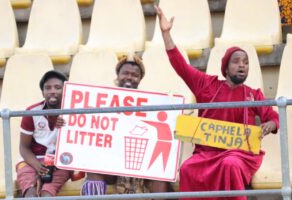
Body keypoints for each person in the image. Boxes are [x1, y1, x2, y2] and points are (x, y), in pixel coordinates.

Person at [154, 5, 279, 200]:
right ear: (226, 68)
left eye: (245, 63)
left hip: (239, 154)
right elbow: (180, 65)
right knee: (187, 168)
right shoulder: (206, 84)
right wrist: (166, 34)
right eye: (237, 61)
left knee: (230, 164)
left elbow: (272, 116)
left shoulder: (253, 94)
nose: (242, 66)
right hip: (206, 153)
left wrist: (270, 124)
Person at [82, 54, 172, 199]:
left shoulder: (150, 104)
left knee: (161, 171)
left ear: (140, 79)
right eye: (125, 73)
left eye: (135, 75)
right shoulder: (102, 101)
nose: (129, 77)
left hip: (140, 160)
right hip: (111, 162)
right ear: (118, 75)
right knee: (93, 168)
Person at [16, 70, 71, 197]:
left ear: (65, 91)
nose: (52, 91)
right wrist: (38, 166)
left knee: (47, 194)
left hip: (61, 162)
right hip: (32, 160)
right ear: (43, 92)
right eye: (47, 88)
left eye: (58, 87)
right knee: (30, 193)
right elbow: (23, 147)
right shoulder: (31, 112)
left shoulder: (73, 112)